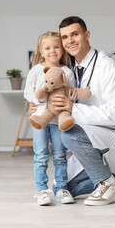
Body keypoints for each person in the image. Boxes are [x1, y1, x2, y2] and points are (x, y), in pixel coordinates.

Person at [48, 16, 115, 206]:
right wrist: (43, 110)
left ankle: (109, 183)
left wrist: (72, 108)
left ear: (87, 34)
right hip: (97, 137)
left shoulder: (108, 67)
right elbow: (68, 112)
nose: (70, 41)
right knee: (62, 187)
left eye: (74, 34)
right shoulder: (73, 71)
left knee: (69, 134)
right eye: (65, 37)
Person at [24, 31, 76, 206]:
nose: (52, 51)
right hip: (39, 119)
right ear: (41, 50)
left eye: (56, 47)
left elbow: (72, 93)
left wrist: (69, 102)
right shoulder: (36, 71)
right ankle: (41, 191)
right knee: (40, 155)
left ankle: (61, 188)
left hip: (58, 120)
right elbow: (28, 92)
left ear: (62, 50)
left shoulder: (67, 72)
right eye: (47, 48)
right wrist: (38, 99)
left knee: (60, 155)